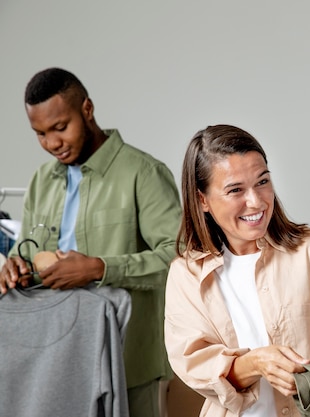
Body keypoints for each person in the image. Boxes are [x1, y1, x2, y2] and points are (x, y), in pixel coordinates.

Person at [164, 124, 310, 417]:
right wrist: (256, 363)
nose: (256, 201)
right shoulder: (187, 274)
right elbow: (194, 364)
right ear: (202, 200)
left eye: (262, 181)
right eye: (235, 190)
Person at [0, 67, 182, 417]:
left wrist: (99, 269)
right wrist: (15, 268)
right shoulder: (41, 181)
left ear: (87, 109)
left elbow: (180, 261)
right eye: (39, 133)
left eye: (60, 127)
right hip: (56, 366)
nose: (52, 143)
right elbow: (26, 250)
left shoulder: (143, 173)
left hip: (130, 364)